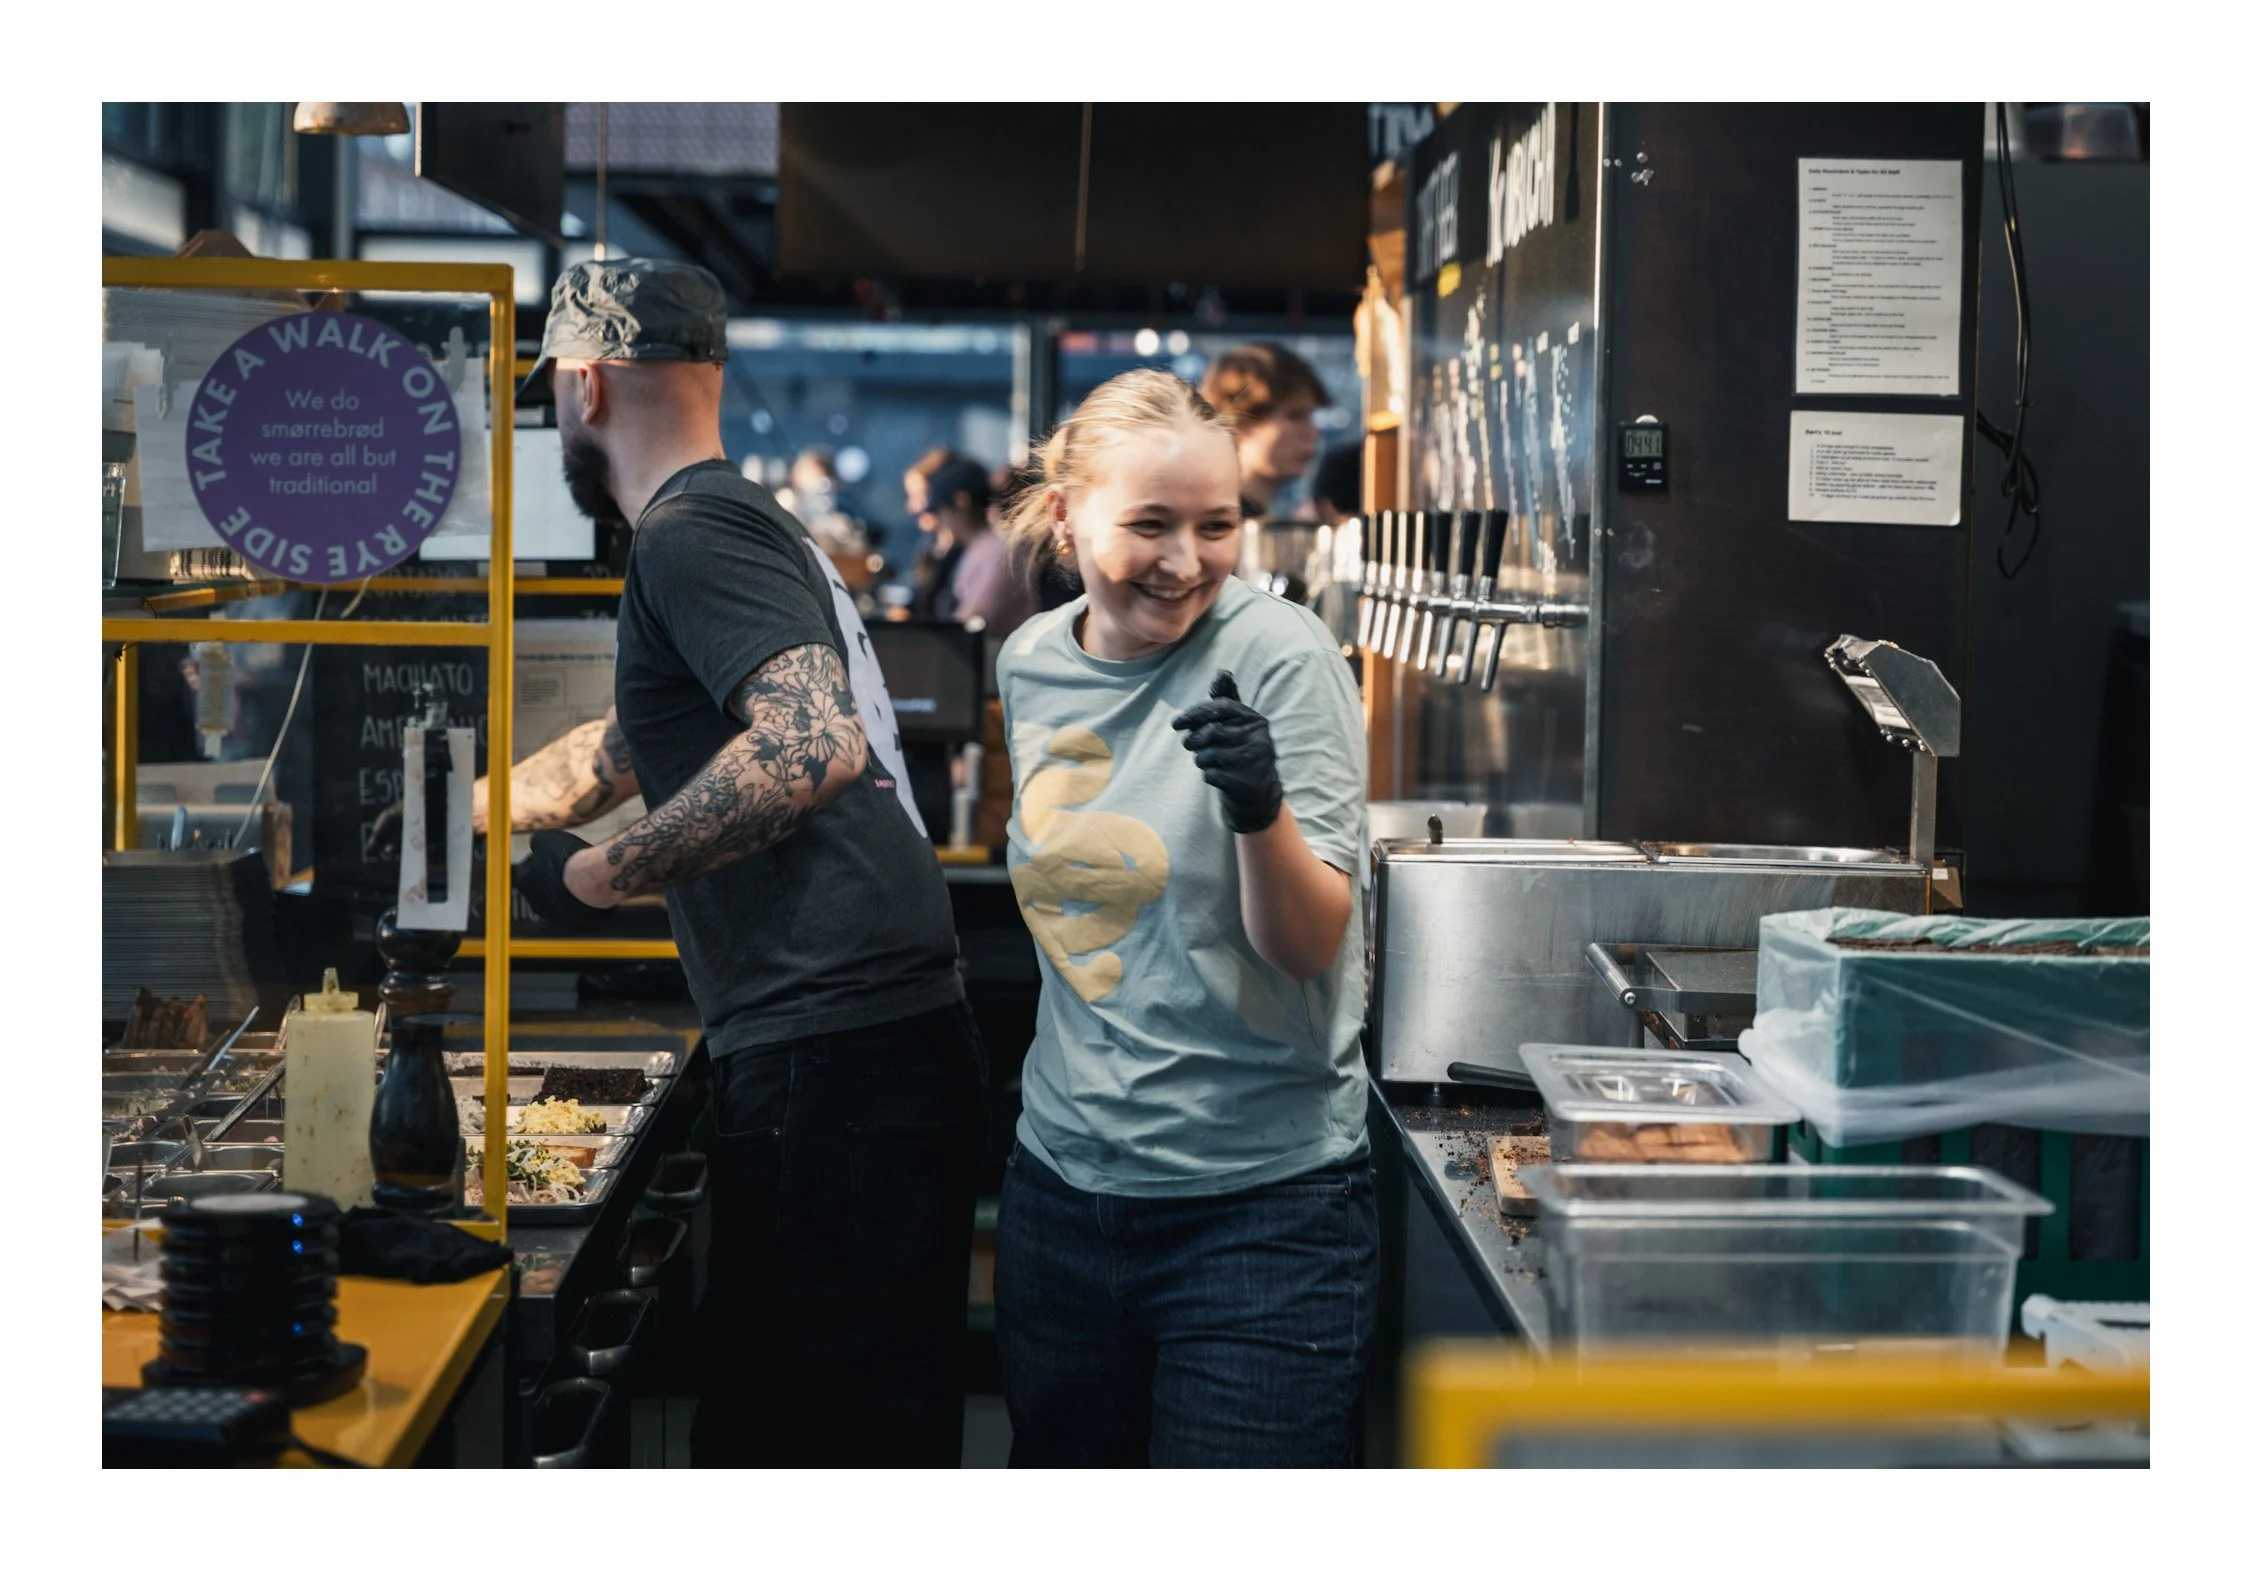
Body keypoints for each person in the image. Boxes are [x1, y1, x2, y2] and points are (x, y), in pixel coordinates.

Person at [479, 258, 985, 1468]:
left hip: (837, 1056)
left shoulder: (688, 531)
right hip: (870, 1051)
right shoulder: (741, 518)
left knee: (802, 1447)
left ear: (586, 384)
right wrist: (480, 812)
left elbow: (808, 745)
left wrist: (589, 878)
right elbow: (636, 740)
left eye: (553, 388)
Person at [988, 369, 1374, 1467]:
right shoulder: (1028, 662)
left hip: (1258, 1211)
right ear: (1063, 515)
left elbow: (1304, 945)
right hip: (1059, 1189)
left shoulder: (1278, 655)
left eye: (1216, 526)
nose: (1184, 561)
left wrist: (1257, 810)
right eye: (1147, 524)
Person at [1200, 341, 1330, 519]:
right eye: (1295, 415)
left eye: (1310, 415)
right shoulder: (1218, 523)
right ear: (1238, 423)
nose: (1312, 431)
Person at [925, 455, 1036, 642]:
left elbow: (975, 617)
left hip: (995, 660)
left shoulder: (998, 551)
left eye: (943, 512)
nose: (941, 522)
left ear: (961, 502)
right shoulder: (978, 549)